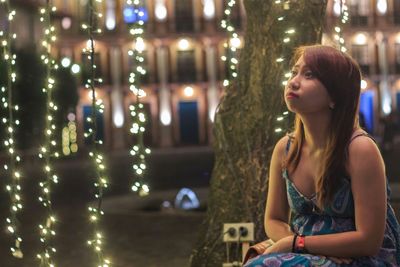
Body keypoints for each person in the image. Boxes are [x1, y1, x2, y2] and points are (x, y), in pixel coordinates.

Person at [243, 45, 400, 266]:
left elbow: (369, 241)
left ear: (335, 96)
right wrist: (295, 243)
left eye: (309, 75)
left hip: (357, 257)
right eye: (294, 72)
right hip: (303, 249)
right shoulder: (285, 149)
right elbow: (273, 219)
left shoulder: (360, 150)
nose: (294, 81)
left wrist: (297, 245)